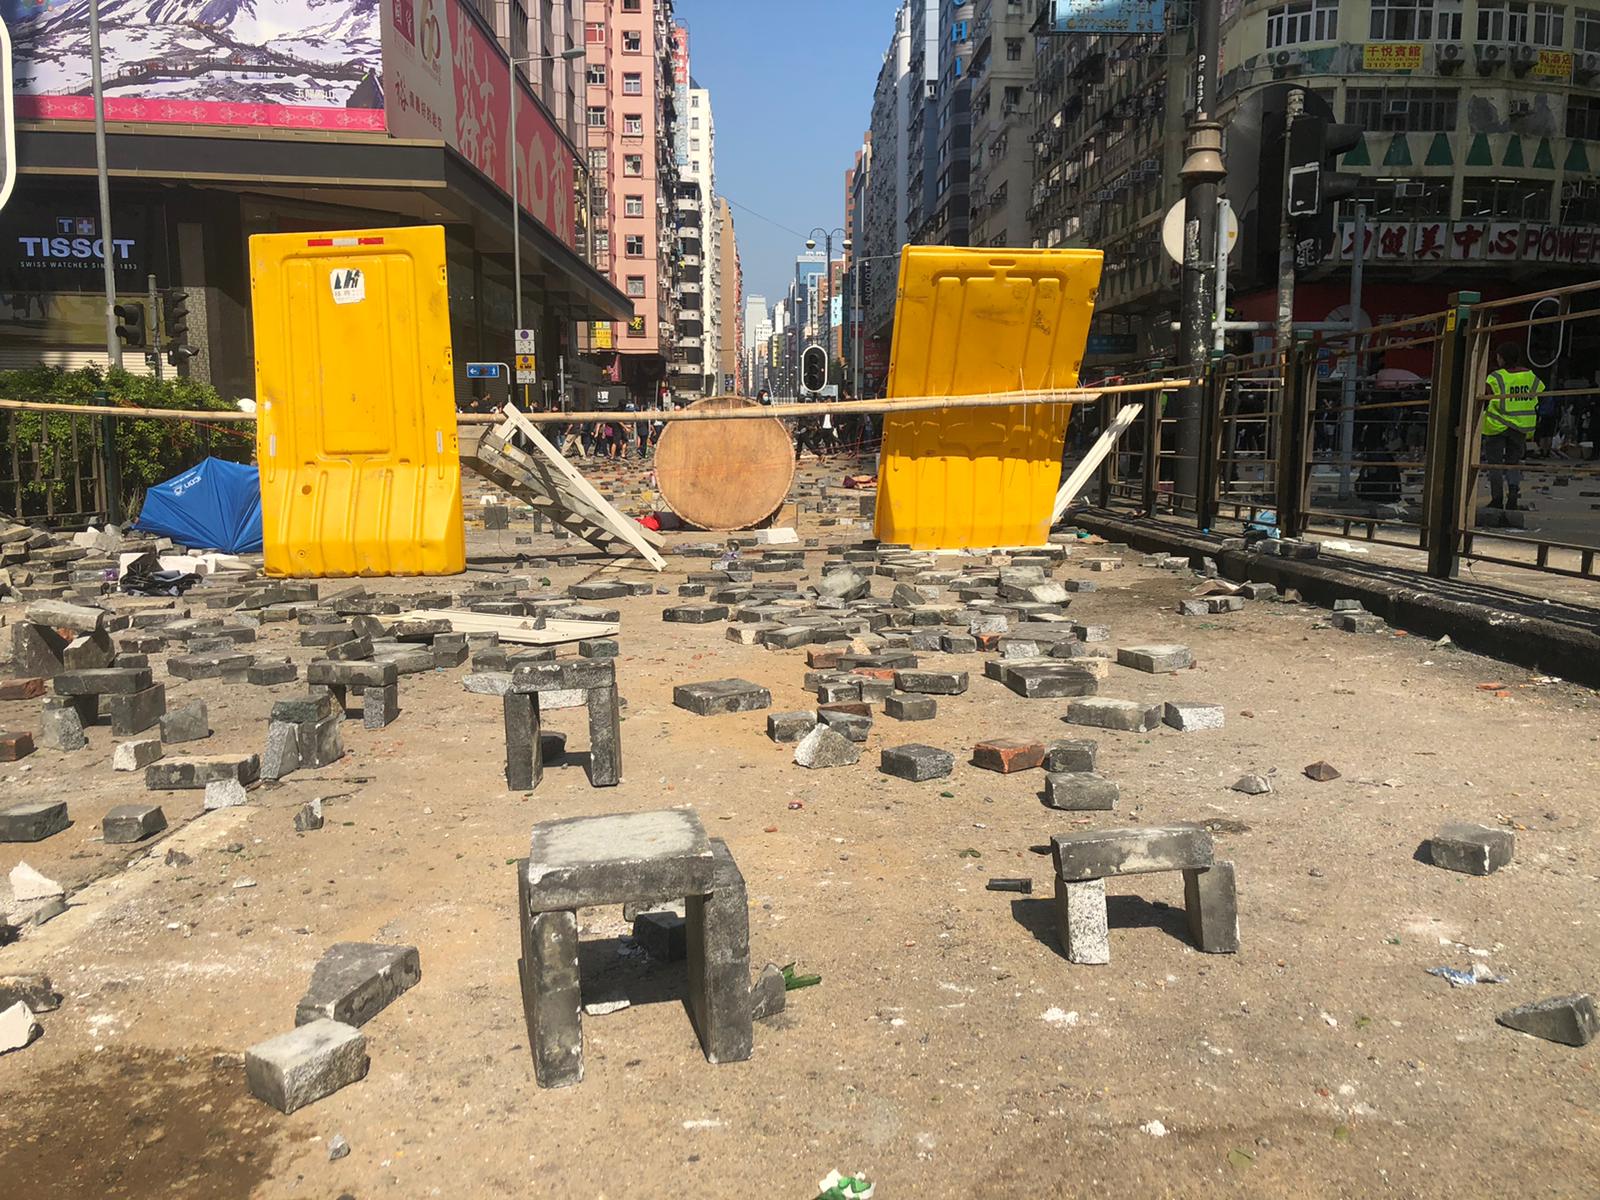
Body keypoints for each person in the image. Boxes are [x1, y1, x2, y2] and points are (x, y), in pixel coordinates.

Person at [1480, 342, 1543, 511]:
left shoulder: (1496, 376)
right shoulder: (1529, 375)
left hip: (1497, 425)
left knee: (1495, 465)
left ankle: (1497, 499)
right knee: (1513, 463)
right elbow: (1539, 393)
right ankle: (1513, 496)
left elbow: (1486, 396)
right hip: (1520, 427)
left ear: (1502, 358)